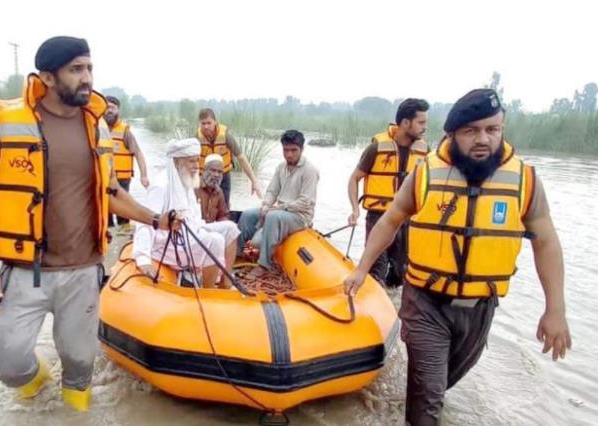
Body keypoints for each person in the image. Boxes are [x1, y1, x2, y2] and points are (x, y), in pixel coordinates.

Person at [0, 36, 176, 412]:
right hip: (27, 269)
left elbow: (110, 193)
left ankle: (74, 419)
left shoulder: (97, 128)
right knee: (6, 364)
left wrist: (156, 220)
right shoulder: (7, 122)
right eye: (76, 69)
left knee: (80, 366)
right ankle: (37, 385)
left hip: (83, 271)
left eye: (90, 67)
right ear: (47, 76)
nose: (87, 77)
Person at [343, 89, 572, 425]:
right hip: (425, 304)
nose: (483, 139)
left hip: (479, 309)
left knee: (440, 386)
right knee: (428, 403)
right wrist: (362, 269)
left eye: (493, 130)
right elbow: (390, 220)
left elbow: (547, 242)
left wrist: (556, 309)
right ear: (451, 134)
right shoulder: (426, 173)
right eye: (471, 131)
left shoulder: (524, 180)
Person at [132, 138, 240, 289]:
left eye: (197, 161)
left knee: (231, 229)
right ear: (176, 162)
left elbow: (193, 218)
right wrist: (143, 259)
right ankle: (208, 292)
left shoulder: (186, 180)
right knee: (215, 241)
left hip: (191, 231)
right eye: (191, 161)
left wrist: (202, 229)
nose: (197, 166)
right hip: (165, 244)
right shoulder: (161, 186)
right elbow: (145, 222)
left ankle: (225, 283)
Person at [347, 98, 429, 287]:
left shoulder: (425, 152)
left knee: (400, 274)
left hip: (408, 221)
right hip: (379, 216)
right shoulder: (376, 148)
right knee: (377, 271)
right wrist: (355, 210)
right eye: (421, 122)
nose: (425, 127)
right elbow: (354, 179)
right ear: (405, 123)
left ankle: (392, 307)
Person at [238, 130, 319, 278]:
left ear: (302, 149)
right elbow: (272, 191)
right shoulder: (281, 167)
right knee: (247, 214)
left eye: (293, 150)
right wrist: (266, 206)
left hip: (299, 216)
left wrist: (280, 208)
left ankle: (264, 265)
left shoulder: (310, 171)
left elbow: (306, 202)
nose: (289, 154)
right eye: (286, 150)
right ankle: (239, 255)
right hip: (279, 211)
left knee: (274, 217)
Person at [196, 108, 262, 207]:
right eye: (203, 123)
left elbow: (241, 158)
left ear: (215, 122)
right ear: (199, 124)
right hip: (204, 177)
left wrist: (254, 181)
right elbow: (189, 161)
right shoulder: (196, 138)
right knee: (203, 206)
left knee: (224, 205)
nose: (206, 127)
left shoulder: (226, 136)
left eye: (209, 123)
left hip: (223, 176)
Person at [104, 95, 150, 233]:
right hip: (103, 180)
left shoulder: (125, 132)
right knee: (105, 213)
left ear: (118, 110)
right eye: (106, 107)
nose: (109, 110)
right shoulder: (97, 128)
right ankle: (110, 245)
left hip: (122, 180)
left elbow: (138, 154)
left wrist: (144, 176)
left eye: (112, 107)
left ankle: (124, 242)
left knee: (123, 213)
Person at [195, 154, 230, 223]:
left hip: (211, 229)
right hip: (195, 227)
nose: (216, 175)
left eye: (219, 172)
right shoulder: (194, 187)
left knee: (231, 227)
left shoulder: (219, 192)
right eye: (213, 170)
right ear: (205, 169)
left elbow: (222, 216)